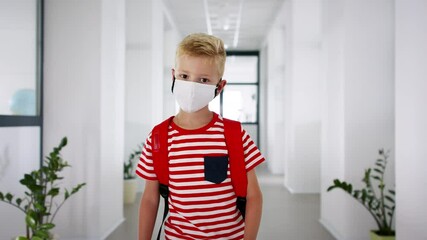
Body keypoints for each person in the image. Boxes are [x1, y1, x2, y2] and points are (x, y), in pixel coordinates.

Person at [136, 33, 265, 240]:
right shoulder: (158, 137)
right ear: (173, 76)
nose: (192, 87)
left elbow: (254, 196)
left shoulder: (234, 134)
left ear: (219, 87)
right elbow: (150, 199)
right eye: (184, 76)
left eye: (203, 80)